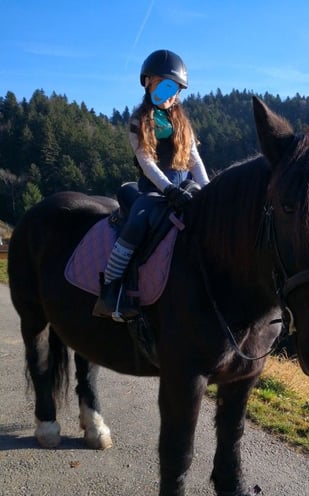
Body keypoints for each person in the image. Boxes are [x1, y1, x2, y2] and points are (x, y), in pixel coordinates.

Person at [93, 49, 209, 320]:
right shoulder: (139, 121)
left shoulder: (182, 123)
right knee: (138, 220)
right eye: (165, 86)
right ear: (148, 82)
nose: (171, 95)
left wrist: (207, 188)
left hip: (185, 189)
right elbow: (145, 161)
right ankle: (111, 290)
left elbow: (195, 160)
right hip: (155, 191)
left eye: (175, 89)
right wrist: (168, 189)